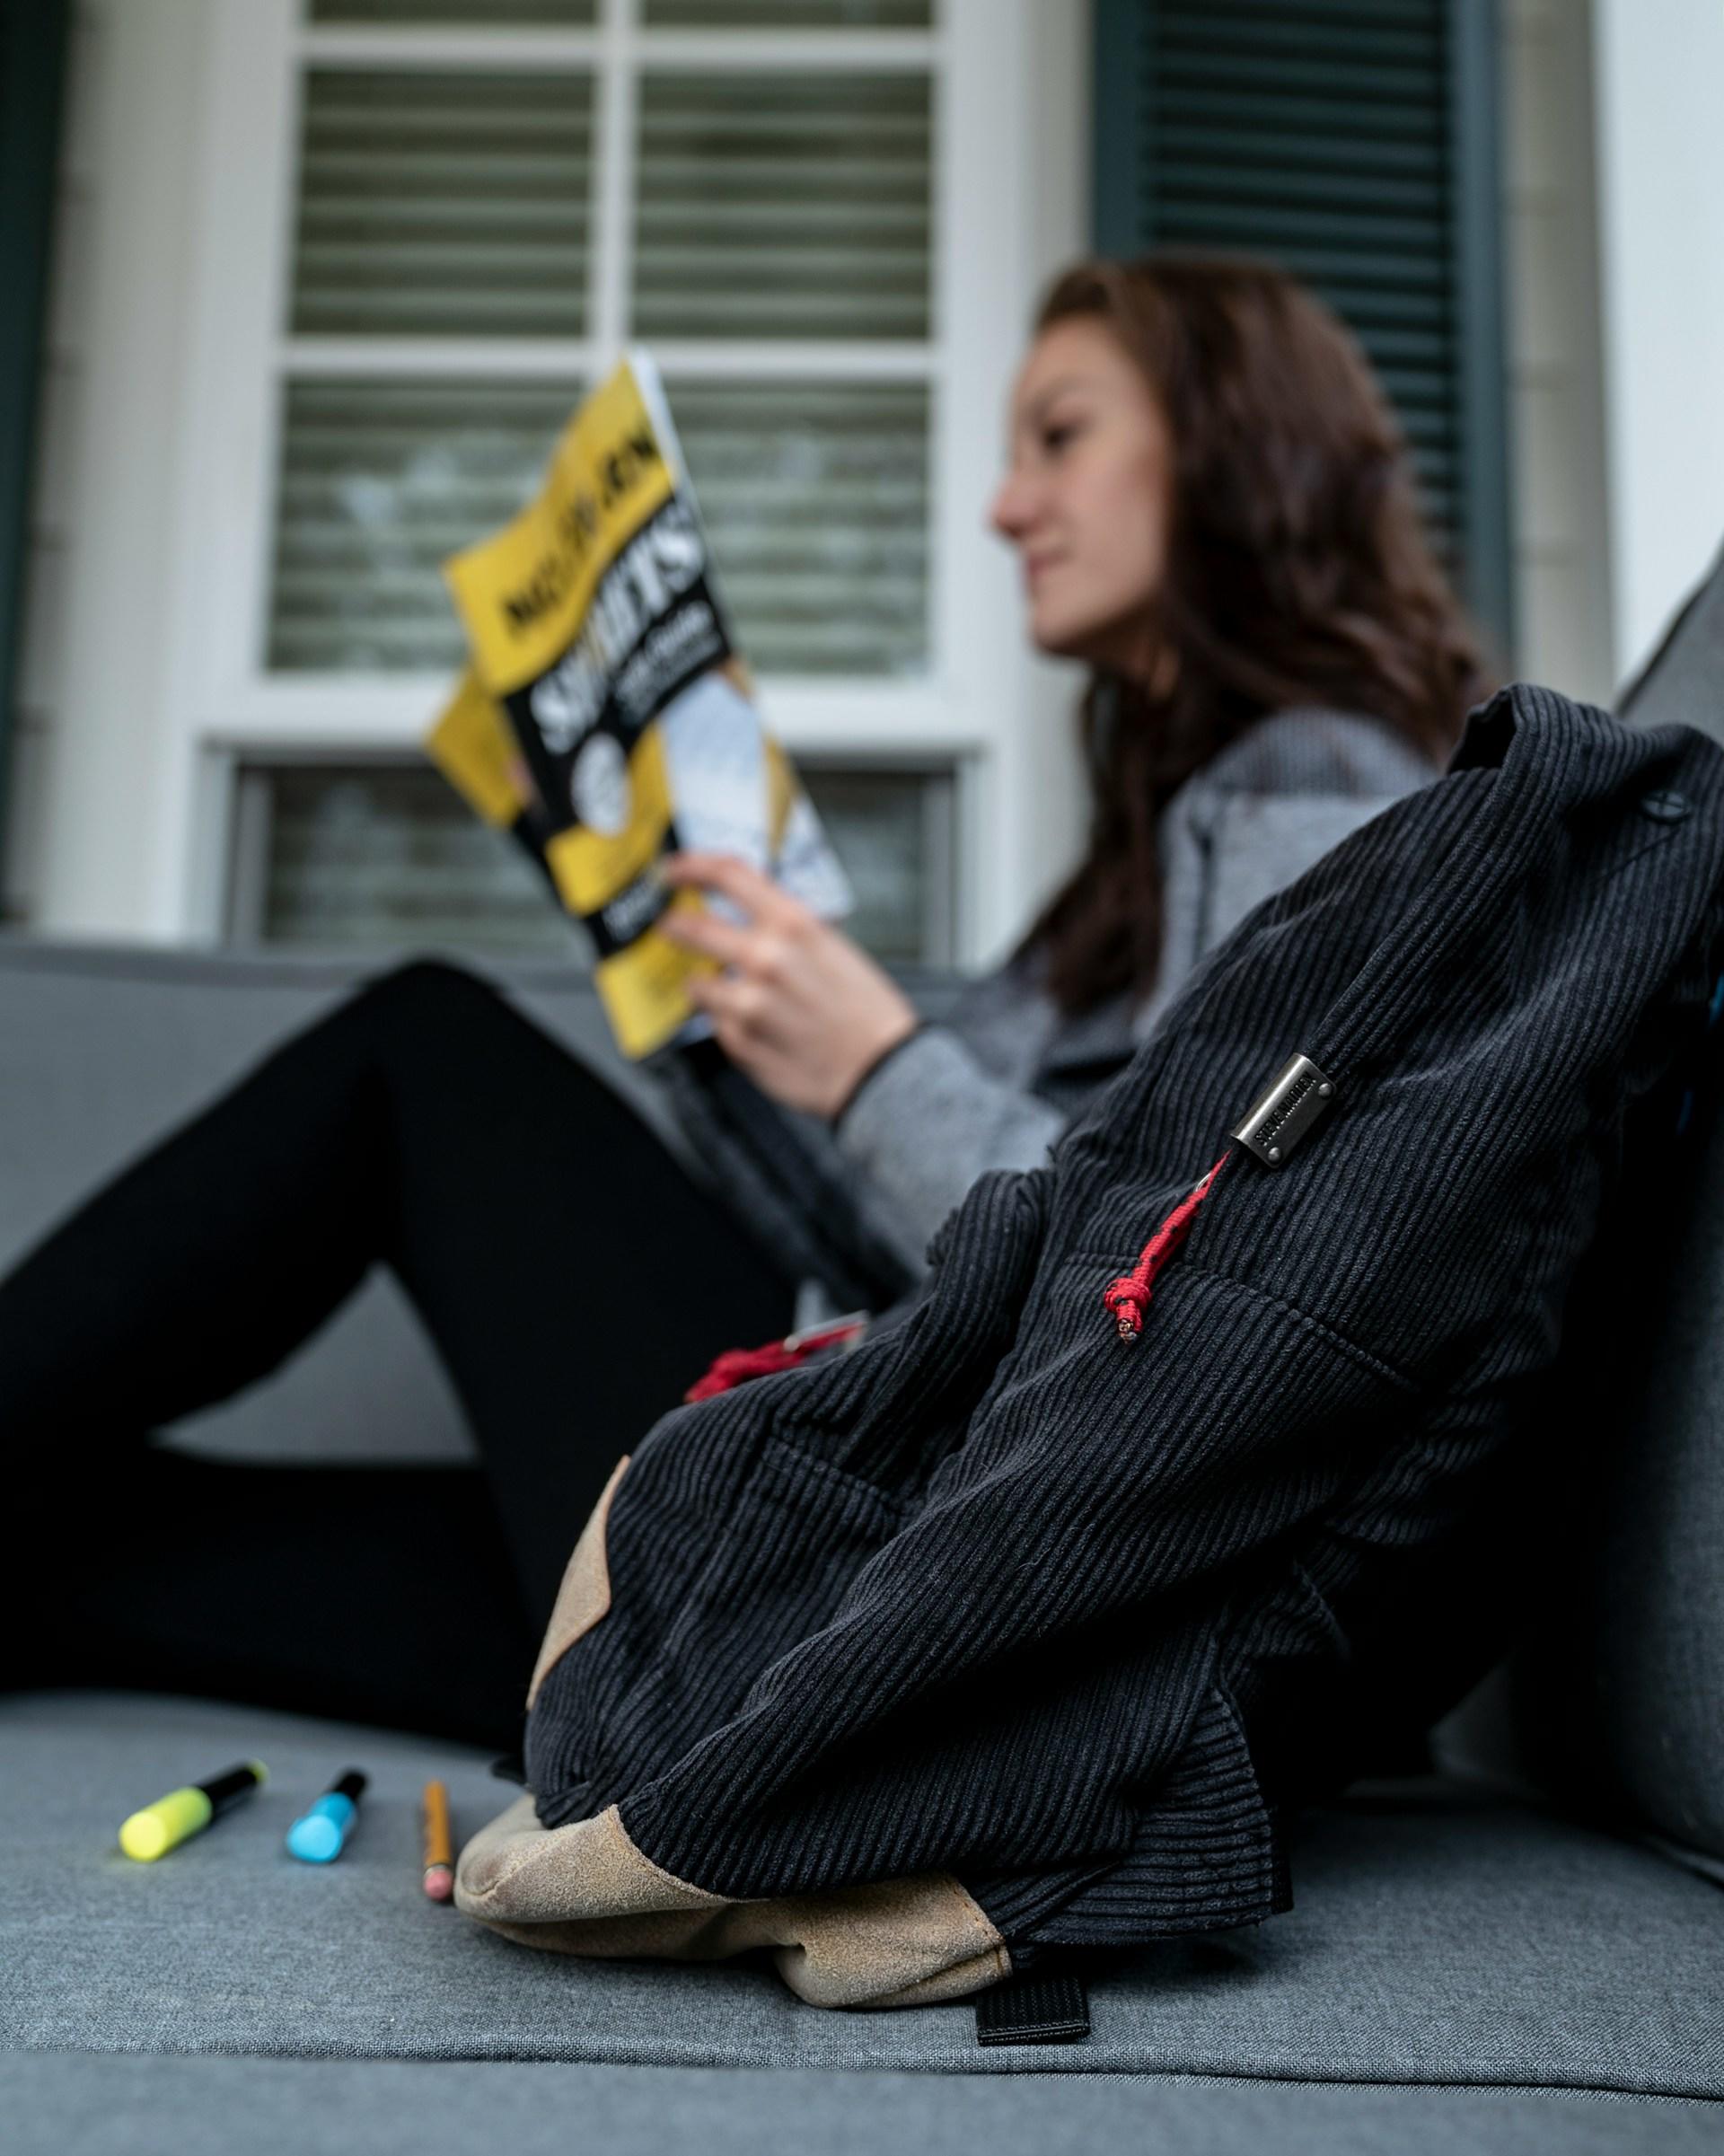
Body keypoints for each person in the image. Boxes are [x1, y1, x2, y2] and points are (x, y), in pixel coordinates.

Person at [0, 254, 1493, 1752]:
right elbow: (875, 1238)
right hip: (842, 1502)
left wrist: (878, 1065)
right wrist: (669, 937)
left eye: (1060, 435)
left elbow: (1191, 1305)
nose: (1004, 506)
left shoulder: (1320, 789)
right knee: (82, 1542)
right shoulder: (1165, 837)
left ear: (1231, 442)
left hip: (901, 1559)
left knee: (422, 1047)